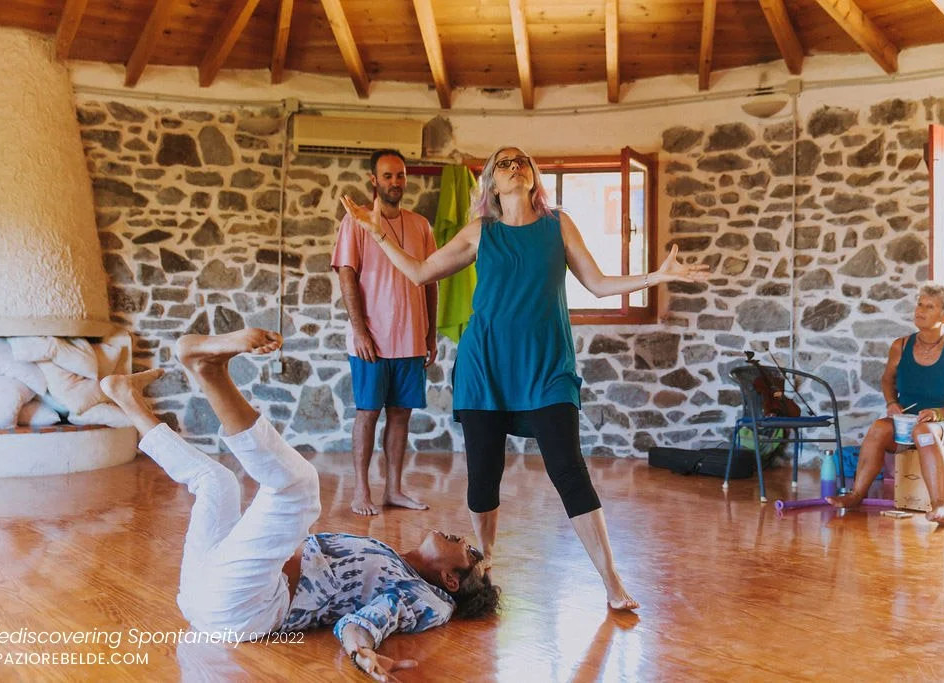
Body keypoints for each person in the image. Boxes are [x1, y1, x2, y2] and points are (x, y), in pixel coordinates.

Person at [341, 146, 710, 610]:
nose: (515, 167)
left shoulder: (558, 225)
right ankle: (487, 557)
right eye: (504, 163)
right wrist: (376, 233)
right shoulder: (481, 231)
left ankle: (612, 582)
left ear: (533, 176)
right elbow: (419, 272)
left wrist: (655, 277)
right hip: (485, 367)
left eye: (522, 162)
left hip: (547, 368)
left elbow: (598, 284)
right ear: (492, 183)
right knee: (483, 478)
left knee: (569, 470)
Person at [99, 329, 499, 681]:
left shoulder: (428, 599)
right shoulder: (397, 560)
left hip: (243, 606)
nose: (463, 539)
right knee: (216, 483)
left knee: (299, 487)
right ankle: (126, 396)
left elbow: (366, 622)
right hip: (207, 596)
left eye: (469, 552)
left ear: (451, 580)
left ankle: (209, 370)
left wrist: (362, 653)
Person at [332, 148, 438, 516]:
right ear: (374, 180)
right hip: (372, 341)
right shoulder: (356, 222)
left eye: (400, 175)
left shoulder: (421, 225)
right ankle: (361, 491)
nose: (396, 181)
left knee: (400, 414)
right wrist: (359, 332)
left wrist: (430, 333)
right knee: (368, 413)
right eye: (388, 175)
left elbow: (431, 280)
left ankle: (393, 489)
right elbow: (347, 276)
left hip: (411, 338)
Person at [827, 284, 944, 526]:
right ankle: (855, 495)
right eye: (920, 304)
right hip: (906, 423)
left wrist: (939, 413)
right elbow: (887, 380)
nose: (920, 311)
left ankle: (940, 505)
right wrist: (892, 402)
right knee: (879, 427)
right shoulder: (901, 346)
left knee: (923, 431)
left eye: (930, 307)